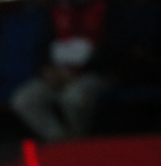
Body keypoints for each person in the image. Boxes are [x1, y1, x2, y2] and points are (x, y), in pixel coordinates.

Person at [10, 0, 108, 142]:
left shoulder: (105, 9)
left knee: (73, 99)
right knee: (24, 100)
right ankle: (60, 141)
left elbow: (114, 51)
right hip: (56, 76)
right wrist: (46, 70)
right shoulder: (54, 13)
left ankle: (79, 143)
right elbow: (42, 49)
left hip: (92, 75)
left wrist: (79, 72)